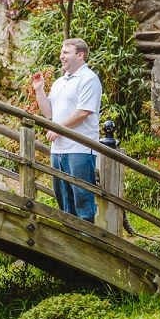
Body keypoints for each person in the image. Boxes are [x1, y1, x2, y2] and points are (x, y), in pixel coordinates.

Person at [32, 38, 102, 223]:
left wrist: (59, 129)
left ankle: (87, 244)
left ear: (80, 55)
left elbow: (84, 111)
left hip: (80, 149)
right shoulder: (59, 82)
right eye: (62, 52)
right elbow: (50, 114)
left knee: (83, 201)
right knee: (63, 200)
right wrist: (39, 90)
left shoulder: (89, 79)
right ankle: (70, 242)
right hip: (59, 150)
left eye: (66, 52)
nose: (61, 56)